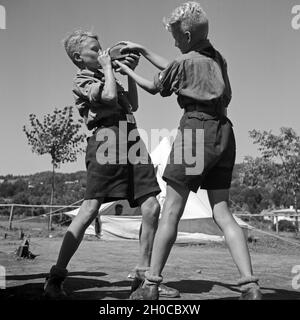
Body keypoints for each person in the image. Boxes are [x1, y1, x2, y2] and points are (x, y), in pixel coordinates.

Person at [115, 2, 262, 300]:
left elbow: (157, 86)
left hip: (196, 130)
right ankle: (250, 285)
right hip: (224, 132)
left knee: (171, 209)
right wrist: (142, 49)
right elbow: (174, 66)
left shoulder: (183, 65)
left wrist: (127, 68)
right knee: (223, 212)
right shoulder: (218, 59)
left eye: (174, 36)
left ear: (185, 35)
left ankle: (151, 285)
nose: (172, 42)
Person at [44, 30, 178, 299]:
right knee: (90, 208)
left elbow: (134, 106)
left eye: (101, 46)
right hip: (105, 140)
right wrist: (108, 68)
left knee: (151, 205)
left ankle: (142, 279)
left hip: (131, 139)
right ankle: (55, 278)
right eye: (95, 48)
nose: (102, 50)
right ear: (78, 57)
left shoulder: (110, 75)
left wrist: (126, 72)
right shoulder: (81, 79)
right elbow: (106, 98)